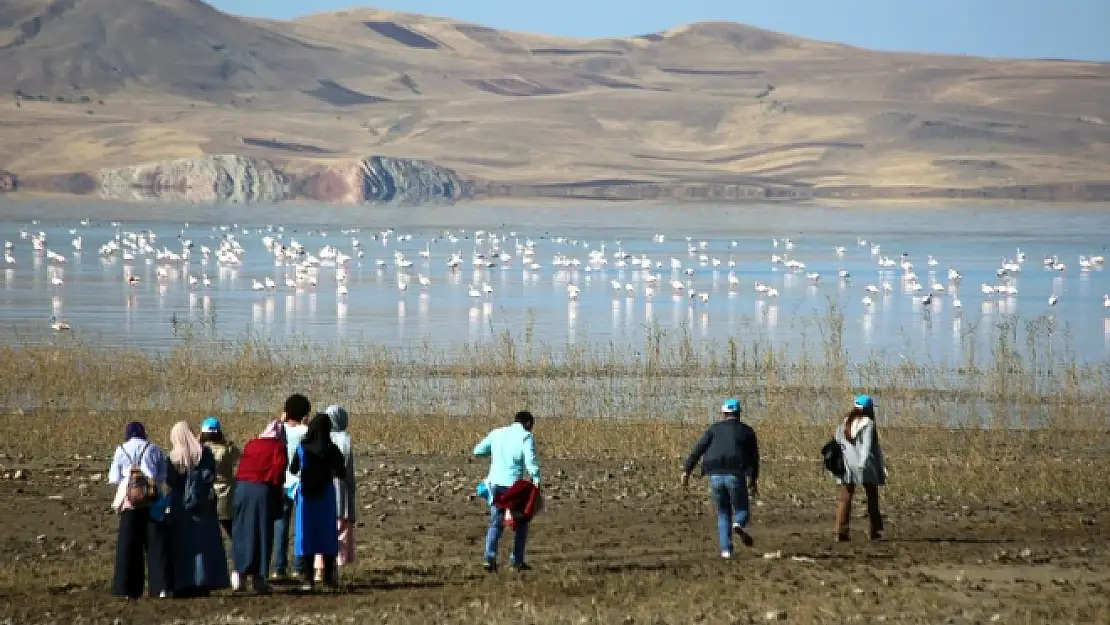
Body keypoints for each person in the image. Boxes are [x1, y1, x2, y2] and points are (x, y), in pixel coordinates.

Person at [681, 398, 760, 559]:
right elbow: (754, 457)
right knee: (742, 509)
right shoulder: (747, 431)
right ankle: (738, 524)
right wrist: (753, 479)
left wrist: (686, 471)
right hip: (735, 474)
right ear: (739, 414)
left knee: (723, 512)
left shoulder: (714, 429)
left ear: (723, 414)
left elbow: (698, 449)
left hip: (714, 474)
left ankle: (726, 551)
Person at [164, 421, 231, 597]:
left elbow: (170, 481)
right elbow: (210, 476)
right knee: (203, 543)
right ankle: (204, 581)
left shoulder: (172, 457)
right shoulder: (204, 453)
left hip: (179, 506)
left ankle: (184, 582)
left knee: (182, 545)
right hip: (202, 505)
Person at [108, 422, 171, 600]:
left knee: (128, 546)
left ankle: (126, 589)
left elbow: (114, 478)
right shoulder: (154, 448)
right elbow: (162, 476)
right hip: (152, 501)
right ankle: (160, 588)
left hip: (130, 502)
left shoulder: (121, 449)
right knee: (156, 546)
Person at [473, 410, 541, 572]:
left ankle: (489, 558)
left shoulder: (497, 433)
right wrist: (536, 479)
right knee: (521, 523)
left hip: (494, 485)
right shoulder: (526, 437)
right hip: (513, 489)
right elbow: (530, 461)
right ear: (529, 424)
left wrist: (495, 451)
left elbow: (478, 451)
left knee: (496, 523)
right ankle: (516, 560)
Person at [289, 413, 346, 591]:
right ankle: (328, 578)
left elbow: (293, 469)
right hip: (326, 495)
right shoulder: (332, 449)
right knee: (327, 534)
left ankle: (307, 579)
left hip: (306, 497)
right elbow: (341, 472)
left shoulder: (303, 447)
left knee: (306, 534)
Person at [231, 419, 288, 594]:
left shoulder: (252, 443)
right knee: (262, 533)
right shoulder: (278, 447)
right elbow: (278, 472)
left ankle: (238, 575)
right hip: (262, 490)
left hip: (241, 488)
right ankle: (258, 578)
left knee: (242, 530)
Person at [834, 394, 886, 542]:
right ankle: (874, 530)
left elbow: (838, 440)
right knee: (872, 497)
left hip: (846, 465)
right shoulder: (868, 423)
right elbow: (867, 446)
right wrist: (863, 463)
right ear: (869, 409)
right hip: (864, 466)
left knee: (845, 499)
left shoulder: (845, 422)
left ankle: (841, 532)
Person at [272, 393, 311, 581]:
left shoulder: (280, 430)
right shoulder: (305, 432)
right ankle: (299, 566)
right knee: (300, 525)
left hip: (282, 482)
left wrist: (281, 420)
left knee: (281, 525)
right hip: (300, 482)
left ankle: (279, 567)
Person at [322, 405, 356, 574]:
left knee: (324, 528)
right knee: (341, 526)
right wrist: (351, 487)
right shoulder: (345, 439)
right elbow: (348, 468)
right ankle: (338, 563)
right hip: (341, 488)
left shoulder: (321, 436)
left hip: (323, 486)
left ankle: (321, 567)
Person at [198, 416, 240, 540]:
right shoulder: (228, 449)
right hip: (226, 492)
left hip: (206, 492)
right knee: (230, 526)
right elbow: (237, 455)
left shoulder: (200, 450)